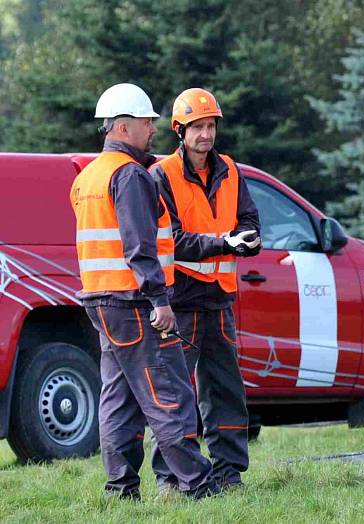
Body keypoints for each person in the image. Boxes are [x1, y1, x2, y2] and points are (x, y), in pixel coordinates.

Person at [71, 83, 217, 500]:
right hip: (135, 302)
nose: (152, 128)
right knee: (166, 395)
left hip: (100, 300)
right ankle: (198, 484)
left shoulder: (87, 177)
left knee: (117, 399)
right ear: (122, 126)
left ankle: (121, 489)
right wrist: (160, 300)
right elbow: (139, 246)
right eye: (146, 121)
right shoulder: (129, 176)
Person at [150, 88, 261, 492]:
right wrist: (224, 243)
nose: (206, 134)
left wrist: (250, 238)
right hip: (181, 300)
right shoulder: (162, 176)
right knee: (176, 393)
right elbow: (171, 238)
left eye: (210, 125)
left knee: (225, 390)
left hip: (220, 298)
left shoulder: (230, 169)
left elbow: (248, 216)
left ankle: (229, 471)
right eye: (197, 127)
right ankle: (169, 476)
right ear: (180, 131)